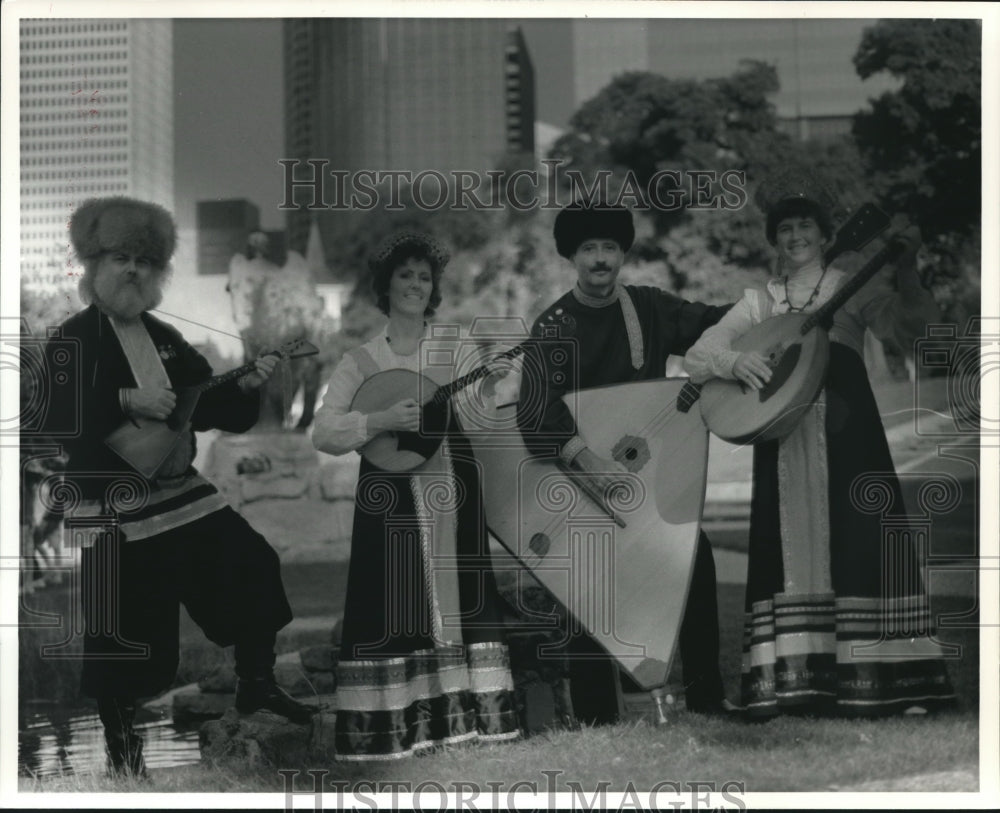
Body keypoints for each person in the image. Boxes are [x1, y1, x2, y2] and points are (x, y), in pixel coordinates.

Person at [40, 197, 314, 779]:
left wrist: (251, 384)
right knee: (124, 634)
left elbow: (214, 408)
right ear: (95, 264)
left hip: (179, 496)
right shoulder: (72, 337)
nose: (134, 269)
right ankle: (123, 756)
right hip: (110, 504)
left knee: (254, 562)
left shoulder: (164, 336)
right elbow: (47, 413)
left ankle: (256, 687)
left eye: (145, 259)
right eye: (121, 257)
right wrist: (123, 399)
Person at [683, 171, 957, 719]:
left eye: (805, 224)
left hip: (848, 438)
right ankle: (792, 682)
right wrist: (737, 361)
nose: (795, 235)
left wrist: (904, 269)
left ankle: (887, 681)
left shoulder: (850, 287)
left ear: (827, 233)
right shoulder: (759, 303)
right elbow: (700, 352)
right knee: (786, 548)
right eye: (784, 227)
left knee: (863, 542)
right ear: (774, 238)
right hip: (781, 440)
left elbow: (914, 332)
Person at [515, 201, 737, 723]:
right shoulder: (554, 327)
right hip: (581, 486)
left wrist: (771, 304)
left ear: (622, 253)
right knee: (587, 594)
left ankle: (708, 696)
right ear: (573, 256)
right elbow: (533, 410)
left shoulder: (649, 308)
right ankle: (598, 716)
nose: (600, 259)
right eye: (589, 248)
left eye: (609, 247)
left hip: (648, 483)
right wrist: (588, 461)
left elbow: (711, 323)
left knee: (696, 565)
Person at [312, 231, 520, 761]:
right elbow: (324, 433)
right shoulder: (360, 361)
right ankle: (401, 729)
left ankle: (470, 722)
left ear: (434, 290)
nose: (415, 285)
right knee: (395, 603)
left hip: (451, 489)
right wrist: (379, 419)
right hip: (389, 499)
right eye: (404, 275)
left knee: (459, 594)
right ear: (386, 286)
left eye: (423, 277)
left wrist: (491, 387)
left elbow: (475, 421)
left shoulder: (457, 344)